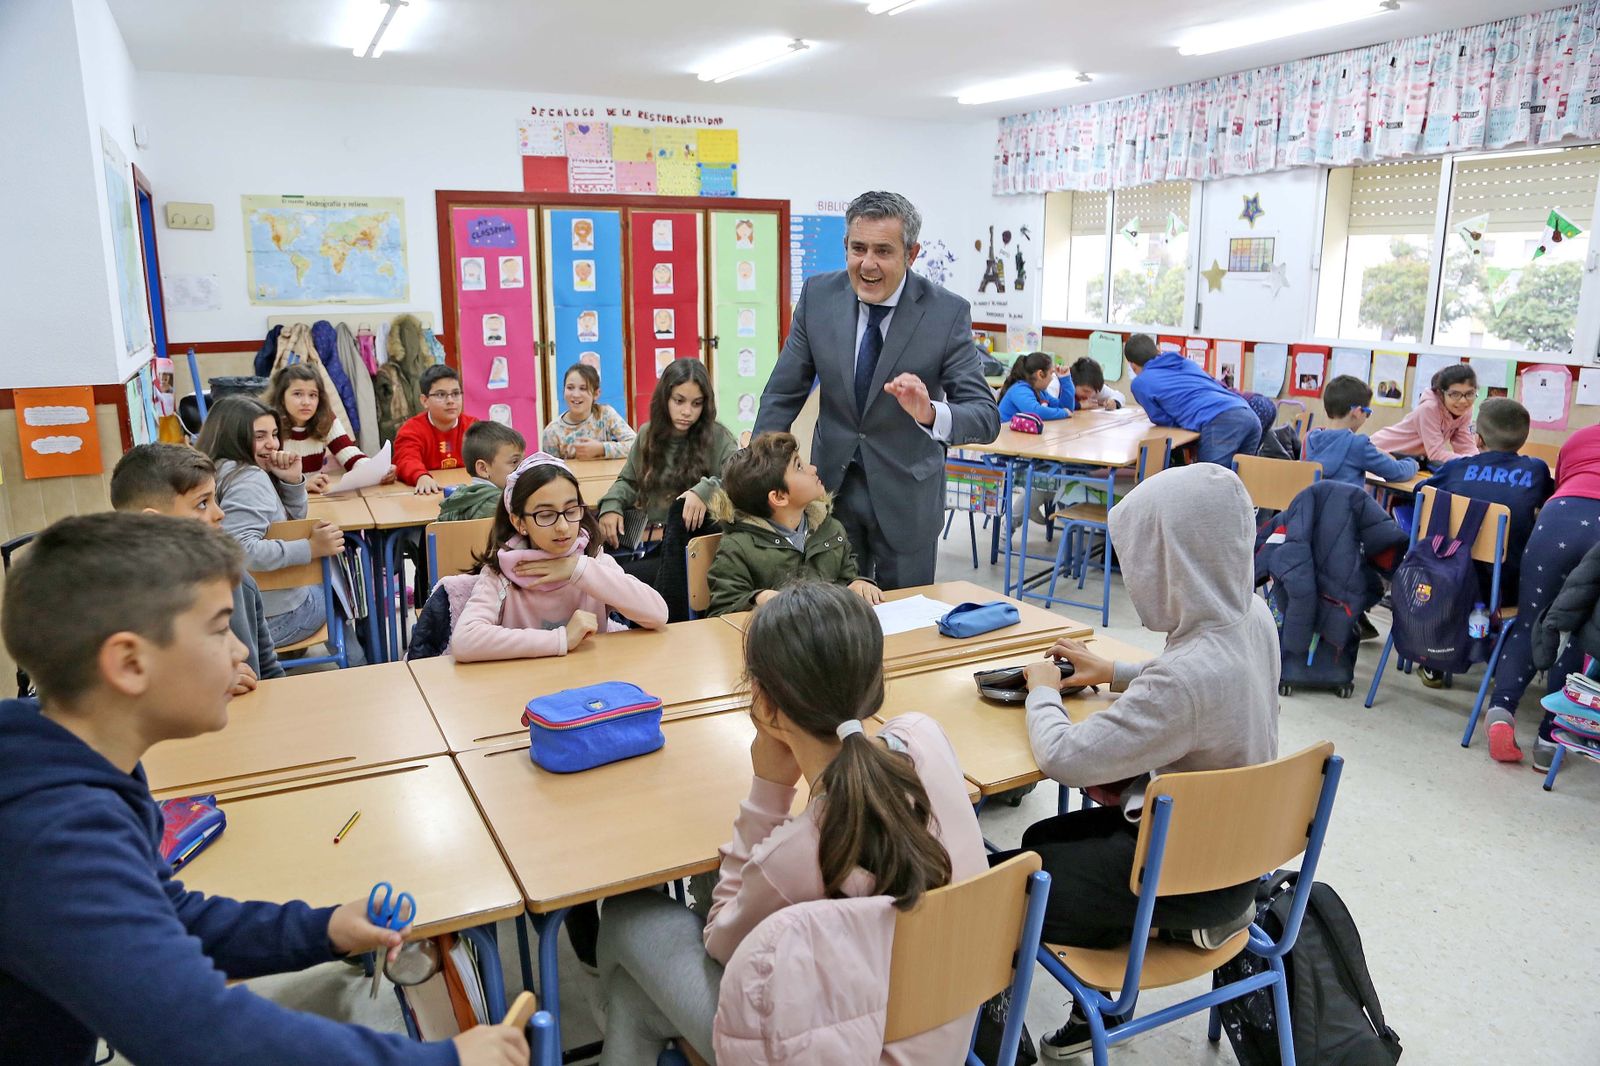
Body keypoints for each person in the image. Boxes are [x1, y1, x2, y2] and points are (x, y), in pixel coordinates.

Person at [0, 513, 527, 1066]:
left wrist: (323, 929)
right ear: (130, 663)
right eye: (218, 628)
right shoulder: (51, 833)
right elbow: (199, 1034)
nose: (241, 652)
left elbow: (169, 915)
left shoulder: (68, 762)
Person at [594, 581, 986, 1064]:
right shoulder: (924, 735)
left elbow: (719, 941)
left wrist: (768, 789)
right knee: (634, 997)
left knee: (627, 914)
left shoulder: (797, 853)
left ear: (764, 704)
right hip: (944, 1030)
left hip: (842, 1052)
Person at [992, 464, 1280, 1061]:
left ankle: (1062, 1011)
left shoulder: (1184, 680)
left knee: (1011, 879)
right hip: (1238, 855)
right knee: (1045, 837)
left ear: (1174, 560)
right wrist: (1117, 672)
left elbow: (1065, 758)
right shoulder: (1253, 617)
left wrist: (1043, 688)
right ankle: (1098, 998)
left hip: (1188, 881)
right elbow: (1203, 683)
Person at [752, 190, 1000, 590]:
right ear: (846, 247)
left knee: (906, 617)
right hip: (829, 493)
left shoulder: (946, 313)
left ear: (912, 254)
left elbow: (985, 417)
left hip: (908, 500)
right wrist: (758, 469)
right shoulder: (818, 297)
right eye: (858, 249)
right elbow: (783, 392)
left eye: (883, 251)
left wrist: (929, 412)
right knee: (833, 614)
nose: (867, 264)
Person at [451, 452, 667, 662]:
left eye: (571, 511)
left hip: (592, 680)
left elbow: (657, 614)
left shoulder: (592, 560)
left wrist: (577, 569)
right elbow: (464, 641)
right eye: (546, 515)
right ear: (519, 522)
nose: (563, 527)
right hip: (527, 683)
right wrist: (561, 639)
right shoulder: (503, 573)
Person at [110, 443, 282, 693]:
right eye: (202, 504)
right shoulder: (116, 604)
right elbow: (116, 698)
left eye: (215, 499)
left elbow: (270, 671)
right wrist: (207, 684)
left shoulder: (237, 583)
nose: (220, 513)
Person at [1478, 424, 1600, 770]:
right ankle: (1549, 738)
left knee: (1530, 621)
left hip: (1558, 515)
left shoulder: (1582, 435)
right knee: (1576, 630)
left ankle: (1501, 710)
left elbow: (1560, 481)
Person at [195, 396, 353, 656]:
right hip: (265, 621)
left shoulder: (211, 470)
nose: (273, 444)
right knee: (337, 589)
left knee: (321, 578)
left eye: (275, 434)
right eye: (260, 436)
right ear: (233, 437)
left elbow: (287, 525)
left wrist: (291, 482)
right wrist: (310, 548)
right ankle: (362, 664)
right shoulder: (248, 479)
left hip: (228, 613)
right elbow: (240, 551)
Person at [706, 432, 881, 616]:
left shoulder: (831, 529)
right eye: (799, 467)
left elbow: (847, 579)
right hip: (778, 633)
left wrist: (858, 584)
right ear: (779, 497)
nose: (812, 468)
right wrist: (758, 598)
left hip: (828, 629)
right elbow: (722, 611)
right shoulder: (737, 548)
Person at [597, 359, 737, 556]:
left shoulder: (719, 437)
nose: (687, 411)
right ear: (665, 399)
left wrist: (705, 491)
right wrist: (612, 505)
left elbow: (736, 481)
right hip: (653, 540)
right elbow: (629, 481)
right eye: (679, 401)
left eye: (696, 403)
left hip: (699, 544)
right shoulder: (648, 434)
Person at [1125, 334, 1261, 467]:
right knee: (1241, 477)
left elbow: (1161, 419)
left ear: (1132, 365)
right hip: (1248, 414)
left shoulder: (1140, 382)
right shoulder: (1183, 362)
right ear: (1158, 350)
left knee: (1208, 477)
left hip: (1220, 420)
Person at [264, 363, 392, 492]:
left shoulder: (326, 419)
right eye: (297, 394)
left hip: (316, 496)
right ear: (281, 398)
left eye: (313, 395)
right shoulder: (268, 425)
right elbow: (261, 477)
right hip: (280, 498)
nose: (306, 402)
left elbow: (350, 454)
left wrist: (378, 470)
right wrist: (301, 484)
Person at [1304, 375, 1419, 487]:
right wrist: (1413, 463)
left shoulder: (1311, 438)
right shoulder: (1358, 445)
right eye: (1368, 413)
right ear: (1358, 412)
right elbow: (1397, 472)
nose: (1366, 416)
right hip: (1347, 501)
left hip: (1313, 500)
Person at [1370, 364, 1479, 466]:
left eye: (1470, 394)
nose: (1463, 401)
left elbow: (1466, 446)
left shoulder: (1466, 410)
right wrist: (1470, 462)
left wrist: (1479, 462)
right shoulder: (1429, 408)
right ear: (1441, 393)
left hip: (1408, 460)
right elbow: (1436, 454)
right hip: (1381, 450)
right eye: (1455, 394)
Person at [394, 365, 477, 495]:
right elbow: (406, 459)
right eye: (441, 395)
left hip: (467, 492)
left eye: (456, 393)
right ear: (424, 401)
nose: (450, 401)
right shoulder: (411, 429)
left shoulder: (473, 427)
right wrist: (421, 476)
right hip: (429, 492)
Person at [541, 362, 637, 461]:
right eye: (570, 388)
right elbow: (550, 468)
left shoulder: (605, 414)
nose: (576, 394)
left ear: (596, 394)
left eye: (583, 388)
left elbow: (636, 445)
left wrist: (601, 449)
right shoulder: (552, 432)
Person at [439, 421, 525, 522]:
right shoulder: (501, 508)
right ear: (483, 469)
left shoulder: (460, 498)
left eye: (523, 461)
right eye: (514, 462)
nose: (523, 467)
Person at [997, 351, 1075, 422]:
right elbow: (1035, 412)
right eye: (1051, 373)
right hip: (1004, 432)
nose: (1052, 378)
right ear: (1040, 374)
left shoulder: (1041, 392)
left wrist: (1065, 379)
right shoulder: (1020, 390)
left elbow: (1066, 408)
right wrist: (1064, 413)